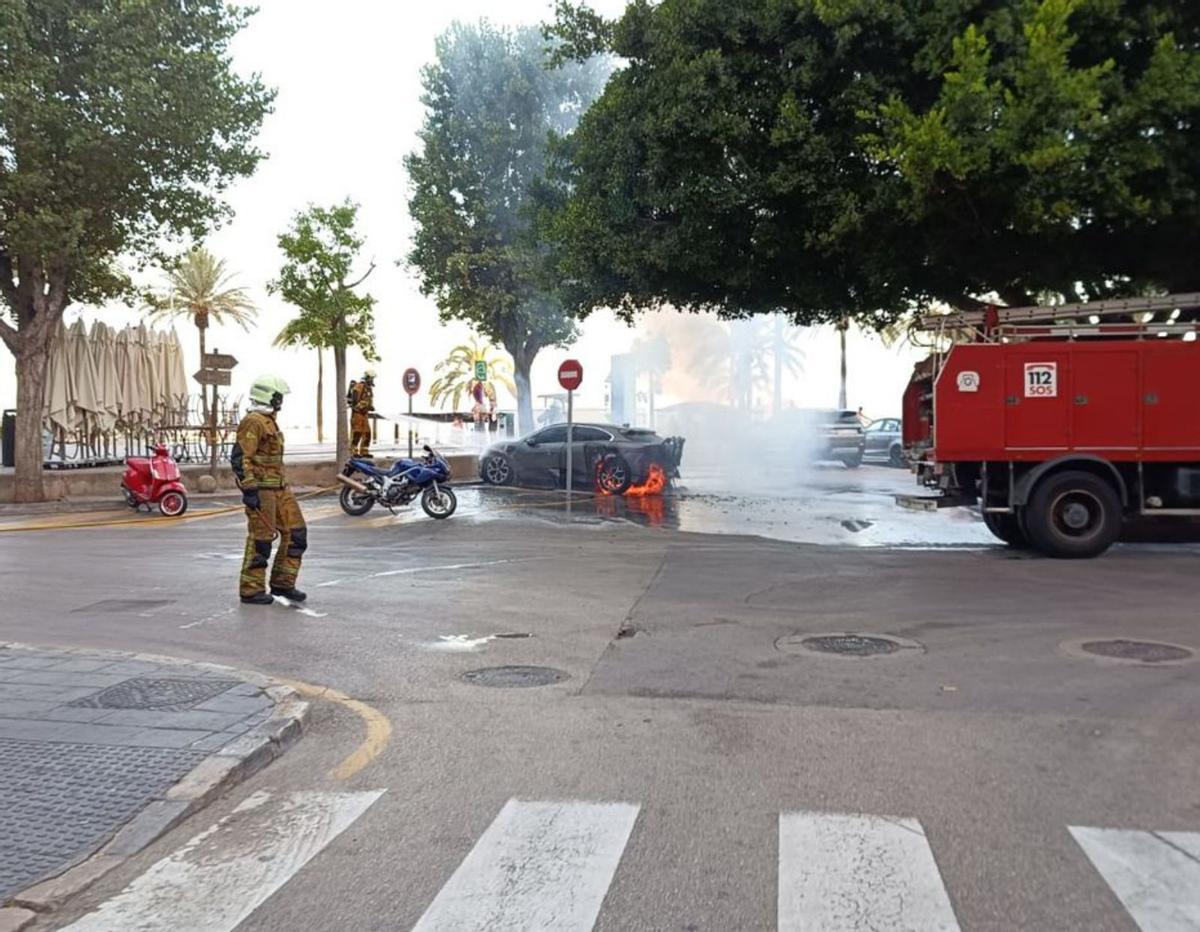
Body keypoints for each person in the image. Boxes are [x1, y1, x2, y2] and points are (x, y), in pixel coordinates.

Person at [231, 375, 307, 605]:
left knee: (296, 534)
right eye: (277, 396)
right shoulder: (253, 421)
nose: (280, 400)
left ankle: (283, 584)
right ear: (267, 396)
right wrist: (250, 490)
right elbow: (241, 457)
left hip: (280, 488)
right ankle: (251, 589)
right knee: (261, 540)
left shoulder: (268, 421)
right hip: (263, 490)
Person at [349, 369, 376, 457]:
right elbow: (355, 402)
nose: (372, 380)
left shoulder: (368, 389)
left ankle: (364, 451)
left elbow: (368, 401)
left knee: (367, 433)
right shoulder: (359, 386)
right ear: (368, 378)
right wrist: (364, 406)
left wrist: (370, 407)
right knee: (357, 433)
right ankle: (354, 452)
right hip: (357, 414)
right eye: (372, 378)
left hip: (364, 415)